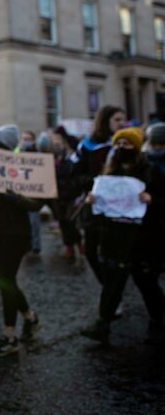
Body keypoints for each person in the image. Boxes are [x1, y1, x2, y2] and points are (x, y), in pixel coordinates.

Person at [81, 128, 153, 345]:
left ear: (137, 147)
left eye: (127, 144)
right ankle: (103, 323)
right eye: (118, 143)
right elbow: (100, 202)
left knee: (145, 281)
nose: (122, 148)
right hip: (112, 231)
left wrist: (151, 198)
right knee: (112, 278)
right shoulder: (109, 170)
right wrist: (91, 201)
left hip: (138, 234)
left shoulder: (148, 170)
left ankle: (158, 319)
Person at [0, 125, 43, 358]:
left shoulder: (20, 166)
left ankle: (10, 337)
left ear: (4, 145)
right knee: (6, 280)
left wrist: (14, 197)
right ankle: (30, 317)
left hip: (15, 233)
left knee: (6, 280)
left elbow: (37, 203)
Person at [72, 105, 126, 284]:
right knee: (90, 251)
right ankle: (108, 287)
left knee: (114, 251)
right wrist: (96, 182)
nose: (122, 123)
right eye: (117, 120)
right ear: (105, 121)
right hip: (94, 204)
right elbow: (76, 176)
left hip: (119, 207)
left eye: (123, 119)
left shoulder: (127, 145)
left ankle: (113, 292)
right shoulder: (87, 146)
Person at [134, 123, 165, 345]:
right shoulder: (141, 163)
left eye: (161, 145)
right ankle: (156, 314)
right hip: (148, 229)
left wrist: (155, 200)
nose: (157, 148)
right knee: (145, 275)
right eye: (154, 144)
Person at [48, 130, 82, 261]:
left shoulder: (73, 156)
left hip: (71, 194)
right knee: (62, 221)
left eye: (58, 141)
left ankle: (76, 242)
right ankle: (70, 246)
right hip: (56, 195)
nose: (56, 144)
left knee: (70, 220)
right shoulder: (50, 158)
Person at [20, 130, 42, 256]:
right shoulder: (17, 153)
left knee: (34, 221)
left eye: (28, 139)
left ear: (33, 140)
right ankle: (26, 246)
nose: (25, 141)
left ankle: (35, 246)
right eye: (23, 138)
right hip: (21, 192)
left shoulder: (38, 155)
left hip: (34, 193)